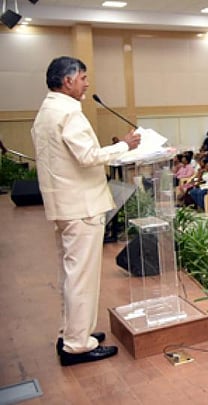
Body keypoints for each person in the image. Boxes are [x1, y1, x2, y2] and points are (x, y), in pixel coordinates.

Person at [32, 56, 141, 366]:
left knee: (71, 275)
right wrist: (124, 145)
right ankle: (77, 345)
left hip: (63, 204)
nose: (87, 83)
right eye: (83, 78)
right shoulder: (69, 112)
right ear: (67, 81)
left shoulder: (46, 111)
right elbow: (89, 156)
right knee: (82, 278)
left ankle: (71, 332)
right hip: (82, 206)